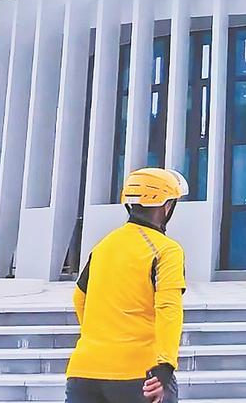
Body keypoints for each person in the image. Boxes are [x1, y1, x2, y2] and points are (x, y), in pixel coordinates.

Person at [65, 168, 189, 403]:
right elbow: (168, 307)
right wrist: (165, 365)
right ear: (167, 206)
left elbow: (79, 298)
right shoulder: (166, 250)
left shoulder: (103, 246)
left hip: (84, 370)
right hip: (139, 375)